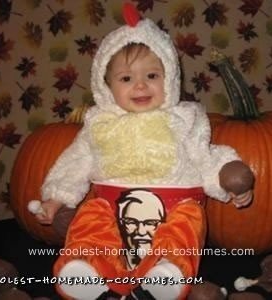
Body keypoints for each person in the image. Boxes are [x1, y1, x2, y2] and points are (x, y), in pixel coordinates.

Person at [34, 4, 254, 299]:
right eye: (126, 78)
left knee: (188, 221)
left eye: (152, 75)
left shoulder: (185, 119)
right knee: (91, 214)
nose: (140, 85)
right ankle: (89, 269)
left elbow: (205, 155)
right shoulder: (100, 124)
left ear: (171, 78)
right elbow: (77, 159)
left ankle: (166, 273)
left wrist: (229, 176)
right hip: (113, 211)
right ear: (107, 85)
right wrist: (56, 197)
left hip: (173, 210)